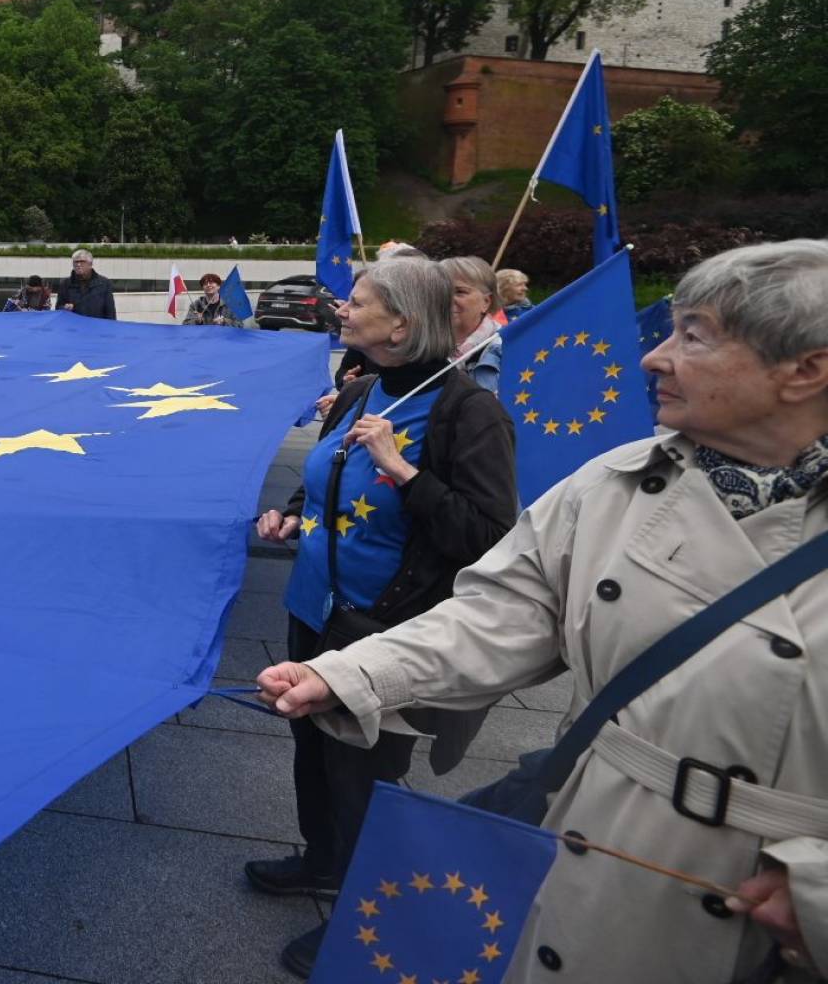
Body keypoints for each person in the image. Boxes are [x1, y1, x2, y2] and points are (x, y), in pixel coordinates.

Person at [257, 240, 828, 983]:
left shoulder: (471, 412)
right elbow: (500, 611)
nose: (654, 358)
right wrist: (350, 674)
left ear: (806, 370)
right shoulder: (612, 486)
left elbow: (474, 530)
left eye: (694, 335)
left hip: (775, 913)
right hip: (603, 848)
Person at [247, 258, 518, 978]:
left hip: (382, 628)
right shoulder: (360, 389)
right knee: (314, 751)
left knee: (364, 775)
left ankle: (363, 921)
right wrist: (292, 515)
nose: (342, 307)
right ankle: (322, 862)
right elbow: (329, 480)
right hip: (314, 608)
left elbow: (489, 539)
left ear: (401, 323)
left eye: (358, 301)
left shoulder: (469, 413)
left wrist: (404, 471)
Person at [442, 254, 504, 394]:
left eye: (460, 292)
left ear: (486, 302)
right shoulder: (417, 348)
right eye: (441, 291)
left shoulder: (506, 348)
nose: (447, 299)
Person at [56, 249, 116, 319]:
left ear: (90, 264)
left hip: (96, 327)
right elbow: (58, 308)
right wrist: (64, 308)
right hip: (73, 327)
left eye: (82, 261)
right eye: (76, 262)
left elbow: (110, 312)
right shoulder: (65, 283)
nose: (78, 264)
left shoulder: (104, 283)